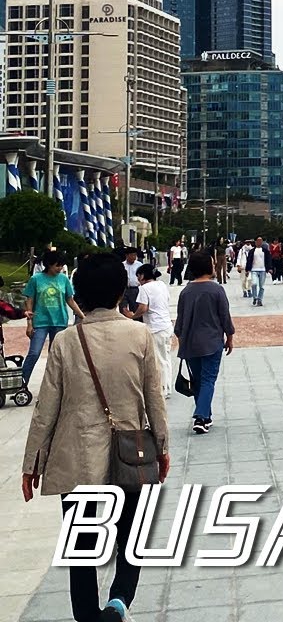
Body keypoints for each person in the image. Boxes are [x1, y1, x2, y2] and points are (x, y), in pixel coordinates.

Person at [20, 253, 169, 622]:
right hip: (129, 453)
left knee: (82, 543)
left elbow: (46, 407)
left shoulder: (66, 341)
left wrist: (32, 463)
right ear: (121, 292)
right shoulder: (139, 335)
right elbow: (154, 398)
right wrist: (162, 447)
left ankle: (87, 615)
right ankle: (118, 603)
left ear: (80, 294)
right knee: (131, 535)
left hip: (76, 455)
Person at [175, 253, 235, 434]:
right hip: (211, 341)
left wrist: (181, 341)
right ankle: (200, 416)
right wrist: (229, 336)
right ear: (208, 267)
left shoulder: (186, 292)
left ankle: (206, 416)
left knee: (198, 380)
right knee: (208, 380)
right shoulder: (216, 290)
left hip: (190, 343)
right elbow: (224, 316)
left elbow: (180, 321)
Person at [21, 251, 84, 384]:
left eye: (61, 265)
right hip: (40, 322)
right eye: (57, 265)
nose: (60, 268)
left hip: (59, 321)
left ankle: (55, 384)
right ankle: (22, 383)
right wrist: (29, 323)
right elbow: (29, 300)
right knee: (34, 353)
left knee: (56, 355)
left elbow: (70, 300)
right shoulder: (36, 279)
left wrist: (82, 316)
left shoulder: (63, 279)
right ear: (49, 264)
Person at [130, 264, 174, 397]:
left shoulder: (144, 288)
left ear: (143, 275)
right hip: (166, 325)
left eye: (138, 276)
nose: (138, 279)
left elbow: (143, 308)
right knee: (166, 357)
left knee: (158, 359)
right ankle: (167, 386)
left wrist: (133, 316)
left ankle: (163, 388)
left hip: (155, 327)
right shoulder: (161, 285)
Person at [245, 236, 270, 307]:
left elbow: (268, 260)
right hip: (254, 270)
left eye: (261, 241)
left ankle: (260, 299)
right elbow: (249, 260)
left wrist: (269, 268)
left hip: (262, 270)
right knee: (254, 283)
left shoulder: (265, 251)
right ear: (255, 242)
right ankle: (255, 297)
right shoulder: (252, 251)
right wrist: (247, 270)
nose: (260, 242)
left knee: (262, 286)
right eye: (258, 241)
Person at [121, 247, 143, 316]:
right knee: (123, 308)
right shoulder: (122, 265)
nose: (134, 257)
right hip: (124, 289)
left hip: (135, 289)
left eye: (135, 255)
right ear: (127, 255)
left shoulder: (139, 265)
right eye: (132, 255)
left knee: (135, 308)